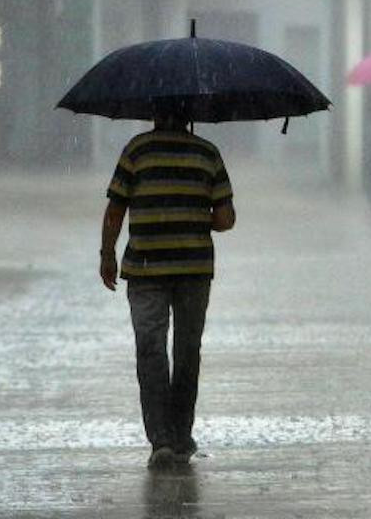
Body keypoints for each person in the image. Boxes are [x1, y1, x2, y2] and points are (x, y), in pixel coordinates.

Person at [99, 101, 236, 469]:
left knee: (151, 352)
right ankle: (180, 434)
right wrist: (193, 215)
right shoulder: (208, 154)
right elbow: (225, 218)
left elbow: (115, 209)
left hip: (144, 269)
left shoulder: (137, 150)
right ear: (189, 116)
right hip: (193, 270)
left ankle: (160, 439)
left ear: (154, 115)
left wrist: (107, 254)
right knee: (187, 353)